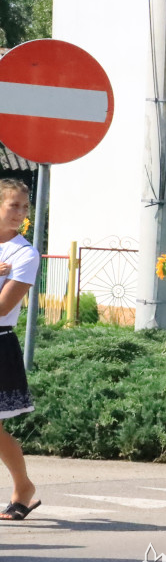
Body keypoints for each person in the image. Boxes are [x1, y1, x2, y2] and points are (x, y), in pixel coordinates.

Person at [0, 179, 41, 521]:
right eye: (13, 205)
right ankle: (24, 486)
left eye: (25, 207)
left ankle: (23, 487)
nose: (20, 213)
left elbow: (2, 306)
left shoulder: (24, 253)